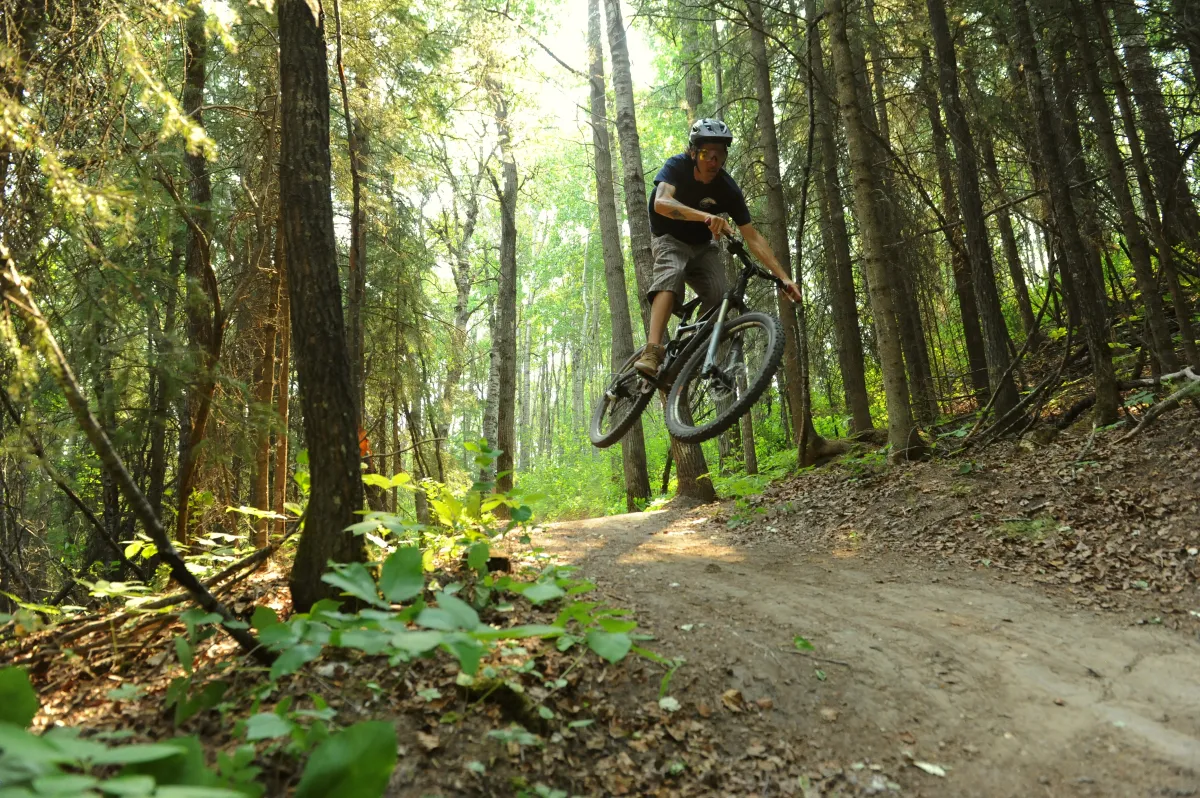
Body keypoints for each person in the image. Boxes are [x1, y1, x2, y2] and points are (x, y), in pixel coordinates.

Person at [633, 118, 802, 377]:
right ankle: (653, 350)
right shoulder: (676, 166)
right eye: (705, 154)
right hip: (669, 238)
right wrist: (706, 217)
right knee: (672, 272)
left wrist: (784, 277)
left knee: (720, 296)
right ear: (693, 153)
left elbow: (752, 237)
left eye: (719, 155)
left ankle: (688, 355)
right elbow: (661, 203)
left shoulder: (727, 188)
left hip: (703, 246)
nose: (712, 161)